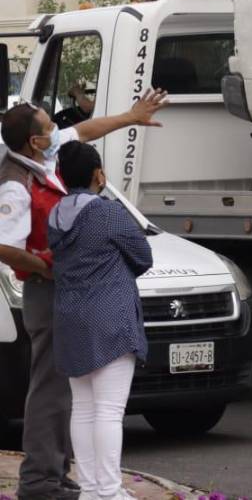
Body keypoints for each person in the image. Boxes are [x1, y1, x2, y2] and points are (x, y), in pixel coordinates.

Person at [0, 90, 168, 500]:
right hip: (47, 290)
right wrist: (45, 266)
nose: (58, 130)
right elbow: (3, 244)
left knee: (70, 396)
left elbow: (85, 130)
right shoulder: (16, 184)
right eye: (50, 126)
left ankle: (66, 477)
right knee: (53, 391)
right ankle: (42, 481)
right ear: (34, 141)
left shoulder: (44, 158)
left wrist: (131, 116)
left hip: (68, 292)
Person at [49, 141, 152, 500]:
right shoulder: (109, 213)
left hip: (70, 318)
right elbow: (143, 256)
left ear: (62, 176)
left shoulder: (55, 215)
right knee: (109, 411)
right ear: (99, 174)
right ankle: (108, 492)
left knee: (83, 409)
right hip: (111, 319)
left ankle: (91, 489)